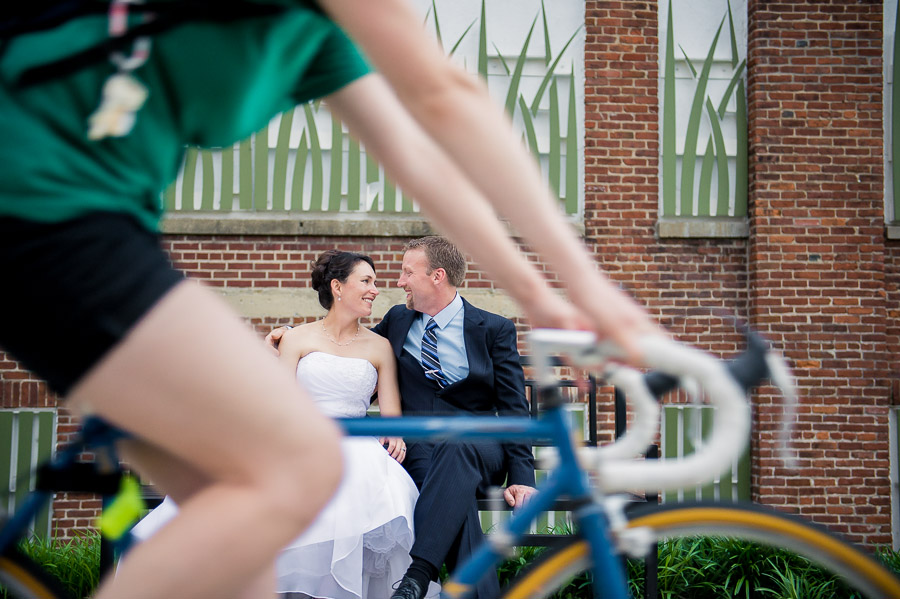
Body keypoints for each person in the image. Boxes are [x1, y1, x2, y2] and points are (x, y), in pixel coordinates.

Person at [1, 2, 656, 597]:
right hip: (43, 199)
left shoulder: (320, 41)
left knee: (241, 534)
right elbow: (443, 91)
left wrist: (540, 292)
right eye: (373, 279)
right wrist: (581, 285)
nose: (384, 288)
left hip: (95, 214)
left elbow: (418, 156)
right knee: (305, 467)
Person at [131, 250, 439, 599]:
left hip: (358, 447)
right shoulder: (296, 338)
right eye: (366, 281)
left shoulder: (380, 346)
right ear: (338, 287)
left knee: (361, 490)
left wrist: (395, 435)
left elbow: (391, 415)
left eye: (375, 282)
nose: (375, 290)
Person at [268, 236, 535, 599]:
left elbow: (515, 406)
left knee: (458, 449)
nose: (399, 282)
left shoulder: (493, 329)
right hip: (422, 450)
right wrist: (289, 336)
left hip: (479, 445)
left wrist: (522, 476)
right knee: (453, 501)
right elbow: (346, 348)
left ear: (437, 276)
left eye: (408, 272)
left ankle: (417, 575)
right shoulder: (398, 321)